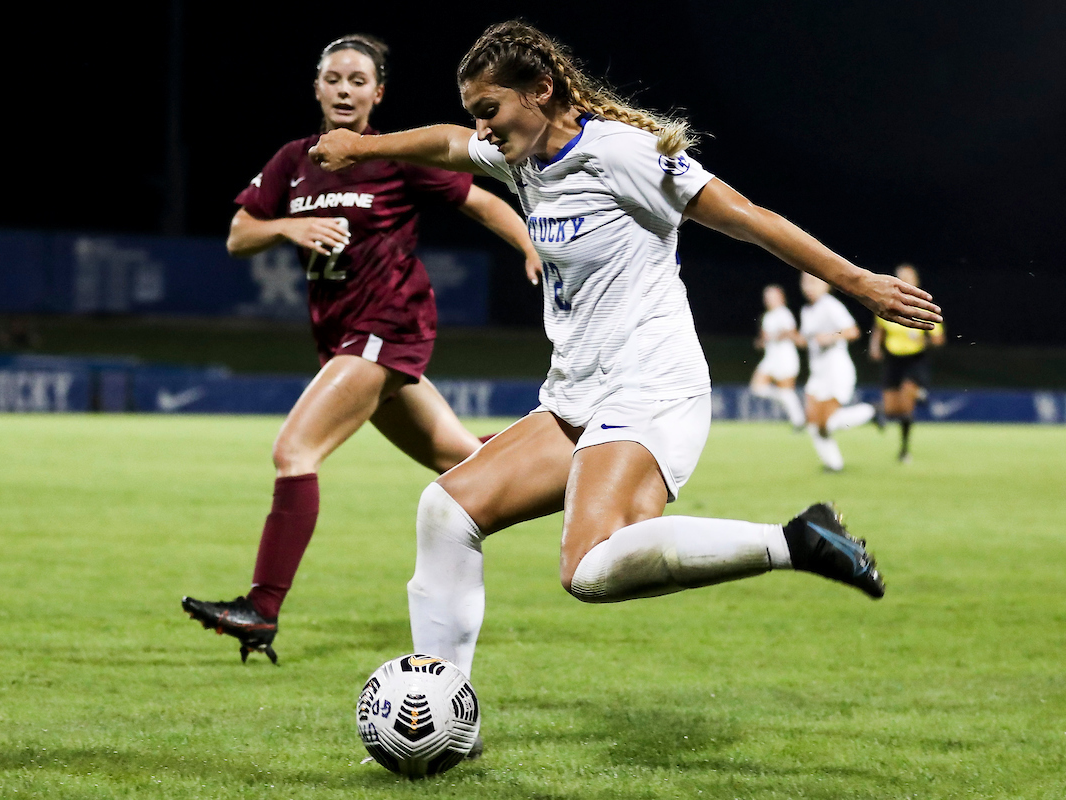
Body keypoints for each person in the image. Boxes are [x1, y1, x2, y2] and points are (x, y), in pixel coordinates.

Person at [310, 21, 940, 689]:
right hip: (577, 398)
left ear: (541, 91)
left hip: (652, 389)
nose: (482, 129)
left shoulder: (624, 154)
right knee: (446, 511)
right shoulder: (518, 153)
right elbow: (445, 143)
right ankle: (442, 708)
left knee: (586, 568)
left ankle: (794, 541)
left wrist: (859, 282)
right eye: (476, 114)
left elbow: (750, 216)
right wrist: (363, 146)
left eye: (489, 110)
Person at [181, 34, 541, 664]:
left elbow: (480, 199)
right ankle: (584, 470)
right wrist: (287, 225)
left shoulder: (393, 157)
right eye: (334, 78)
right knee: (462, 461)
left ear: (377, 94)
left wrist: (531, 243)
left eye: (358, 80)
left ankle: (261, 609)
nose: (345, 90)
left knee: (294, 450)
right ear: (317, 88)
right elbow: (240, 235)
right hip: (344, 338)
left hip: (387, 325)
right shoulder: (293, 160)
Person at [796, 273, 880, 472]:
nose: (809, 287)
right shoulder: (807, 310)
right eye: (806, 282)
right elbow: (807, 340)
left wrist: (829, 336)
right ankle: (833, 464)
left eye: (814, 282)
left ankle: (872, 411)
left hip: (836, 369)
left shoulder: (830, 305)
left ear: (826, 286)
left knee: (827, 423)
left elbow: (852, 331)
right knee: (813, 421)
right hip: (818, 372)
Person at [869, 264, 946, 462]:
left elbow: (938, 339)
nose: (904, 280)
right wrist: (875, 347)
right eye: (900, 277)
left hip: (914, 360)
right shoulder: (889, 302)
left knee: (906, 405)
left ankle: (904, 450)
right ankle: (879, 410)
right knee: (893, 410)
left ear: (916, 282)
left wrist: (923, 340)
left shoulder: (923, 304)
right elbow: (879, 329)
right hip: (893, 360)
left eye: (908, 277)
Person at [749, 284, 806, 428]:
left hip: (785, 357)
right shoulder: (767, 317)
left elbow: (791, 332)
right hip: (770, 357)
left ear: (781, 298)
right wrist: (760, 342)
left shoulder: (784, 313)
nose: (768, 300)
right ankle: (797, 416)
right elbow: (764, 338)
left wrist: (775, 336)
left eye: (772, 297)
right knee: (757, 388)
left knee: (786, 390)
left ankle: (799, 422)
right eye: (766, 297)